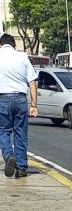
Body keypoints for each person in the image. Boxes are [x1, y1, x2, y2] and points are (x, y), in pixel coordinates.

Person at [0, 34, 38, 178]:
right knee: (21, 133)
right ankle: (21, 168)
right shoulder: (22, 57)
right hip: (21, 98)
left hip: (2, 98)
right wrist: (34, 105)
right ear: (14, 45)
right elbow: (32, 82)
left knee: (3, 131)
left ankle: (9, 155)